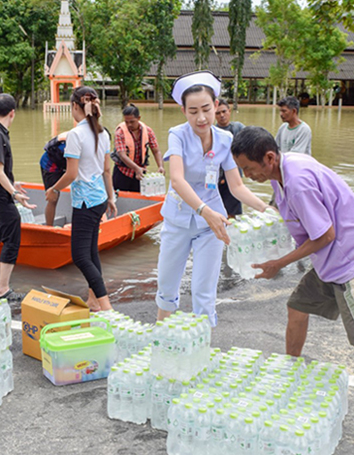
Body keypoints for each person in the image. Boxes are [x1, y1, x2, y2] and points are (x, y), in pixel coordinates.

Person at [231, 126, 354, 446]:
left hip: (353, 262)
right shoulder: (284, 170)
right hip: (329, 261)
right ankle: (290, 372)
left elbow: (325, 236)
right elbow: (288, 218)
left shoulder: (298, 182)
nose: (247, 174)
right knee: (296, 307)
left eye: (249, 169)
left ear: (268, 157)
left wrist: (278, 264)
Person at [156, 71, 268, 326]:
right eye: (193, 111)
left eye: (206, 108)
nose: (201, 117)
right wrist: (204, 210)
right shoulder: (177, 135)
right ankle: (161, 336)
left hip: (212, 225)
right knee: (167, 285)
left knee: (205, 290)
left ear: (216, 106)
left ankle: (202, 348)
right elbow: (177, 180)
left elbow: (236, 186)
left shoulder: (225, 139)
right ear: (183, 111)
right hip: (179, 219)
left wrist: (265, 209)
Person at [46, 87, 118, 311]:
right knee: (91, 251)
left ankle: (106, 307)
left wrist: (53, 190)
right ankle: (93, 300)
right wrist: (111, 197)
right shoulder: (103, 132)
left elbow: (71, 174)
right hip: (99, 200)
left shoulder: (76, 135)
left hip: (86, 201)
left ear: (74, 106)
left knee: (79, 255)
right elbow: (107, 170)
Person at [0, 93, 35, 298]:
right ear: (12, 113)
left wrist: (13, 183)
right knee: (12, 234)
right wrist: (14, 193)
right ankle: (2, 289)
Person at [111, 104, 164, 193]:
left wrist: (160, 166)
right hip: (122, 172)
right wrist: (136, 168)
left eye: (132, 121)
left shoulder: (148, 131)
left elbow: (156, 150)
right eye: (126, 122)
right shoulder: (120, 132)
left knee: (139, 198)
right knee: (120, 199)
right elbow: (122, 155)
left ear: (139, 118)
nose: (129, 125)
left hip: (140, 174)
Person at [215, 98, 245, 218]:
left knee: (233, 212)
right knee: (217, 210)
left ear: (229, 111)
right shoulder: (212, 132)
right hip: (216, 178)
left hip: (235, 176)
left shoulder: (239, 128)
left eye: (224, 112)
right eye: (218, 113)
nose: (222, 115)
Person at [40, 131, 68, 227]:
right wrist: (54, 189)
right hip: (50, 164)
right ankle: (49, 227)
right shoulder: (76, 142)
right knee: (53, 197)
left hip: (64, 160)